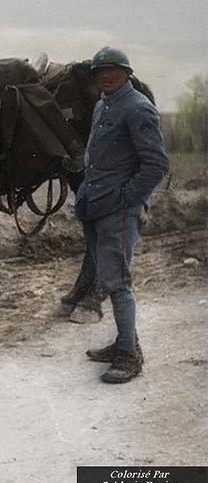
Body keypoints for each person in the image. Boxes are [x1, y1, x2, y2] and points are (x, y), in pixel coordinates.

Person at [73, 47, 168, 384]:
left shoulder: (138, 107)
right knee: (108, 277)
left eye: (113, 70)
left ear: (127, 73)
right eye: (100, 71)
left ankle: (129, 356)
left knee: (117, 283)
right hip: (97, 206)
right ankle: (125, 342)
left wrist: (125, 200)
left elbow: (156, 164)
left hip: (118, 211)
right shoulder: (103, 105)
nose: (105, 76)